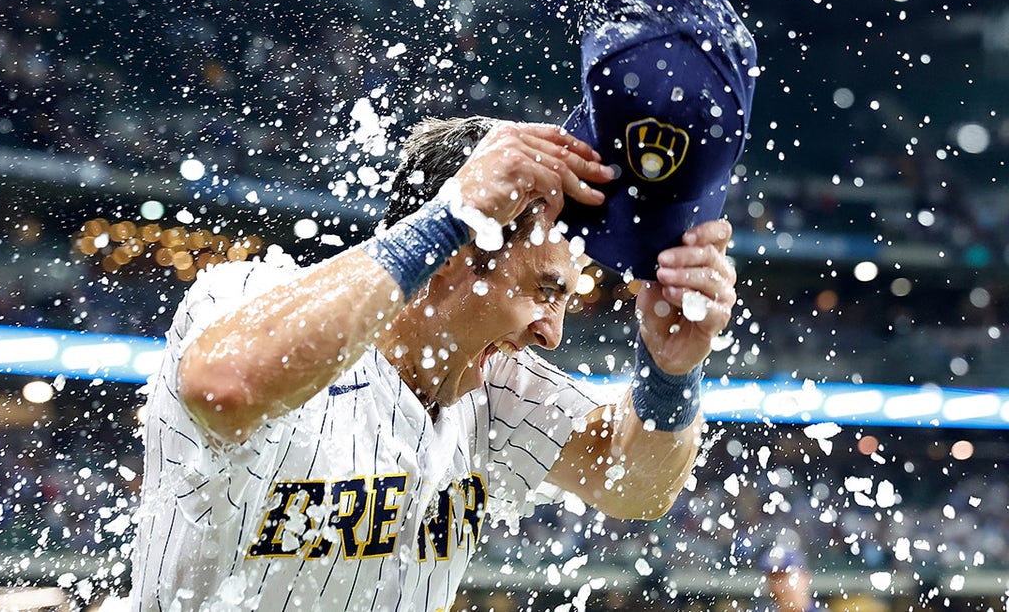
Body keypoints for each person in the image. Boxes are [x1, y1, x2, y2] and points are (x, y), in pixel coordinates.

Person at [126, 112, 738, 610]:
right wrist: (447, 216)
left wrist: (670, 373)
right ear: (451, 253)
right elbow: (225, 385)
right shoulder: (251, 297)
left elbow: (636, 484)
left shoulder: (495, 388)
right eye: (545, 292)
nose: (552, 333)